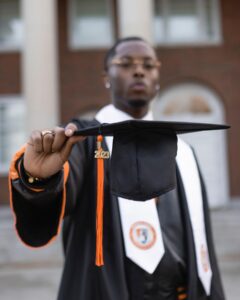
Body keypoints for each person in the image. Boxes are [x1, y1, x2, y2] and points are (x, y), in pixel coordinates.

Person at [9, 37, 225, 300]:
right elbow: (58, 193)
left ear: (157, 76)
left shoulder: (183, 151)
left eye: (148, 64)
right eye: (125, 63)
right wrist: (38, 177)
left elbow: (203, 244)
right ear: (106, 77)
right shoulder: (82, 140)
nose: (138, 70)